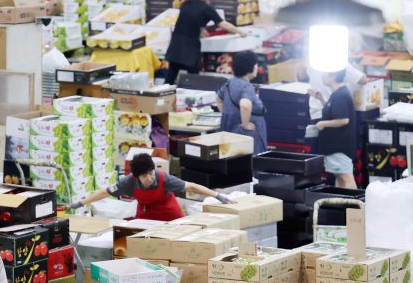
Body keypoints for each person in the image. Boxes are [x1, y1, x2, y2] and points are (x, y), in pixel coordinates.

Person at [72, 153, 232, 221]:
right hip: (145, 215)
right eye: (144, 176)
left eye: (150, 173)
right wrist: (80, 203)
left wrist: (218, 196)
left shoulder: (163, 178)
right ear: (136, 177)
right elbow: (104, 193)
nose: (149, 178)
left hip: (169, 214)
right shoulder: (127, 182)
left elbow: (192, 187)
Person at [164, 0, 246, 85]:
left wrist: (201, 30)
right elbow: (223, 24)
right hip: (190, 48)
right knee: (194, 80)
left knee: (170, 79)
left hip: (175, 45)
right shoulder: (206, 8)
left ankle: (161, 95)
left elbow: (190, 20)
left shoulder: (186, 4)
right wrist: (240, 31)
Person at [313, 69, 358, 189]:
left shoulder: (340, 95)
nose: (322, 75)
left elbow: (343, 120)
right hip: (335, 146)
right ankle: (341, 200)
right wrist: (320, 98)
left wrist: (323, 123)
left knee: (345, 177)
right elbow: (333, 112)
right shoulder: (337, 94)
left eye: (324, 73)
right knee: (339, 177)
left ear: (333, 76)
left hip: (339, 146)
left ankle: (352, 201)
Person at [216, 51, 268, 154]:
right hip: (247, 135)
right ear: (250, 68)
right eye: (256, 65)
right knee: (251, 161)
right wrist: (245, 124)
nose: (257, 68)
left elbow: (218, 99)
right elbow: (245, 105)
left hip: (230, 130)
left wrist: (226, 113)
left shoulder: (228, 83)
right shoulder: (246, 86)